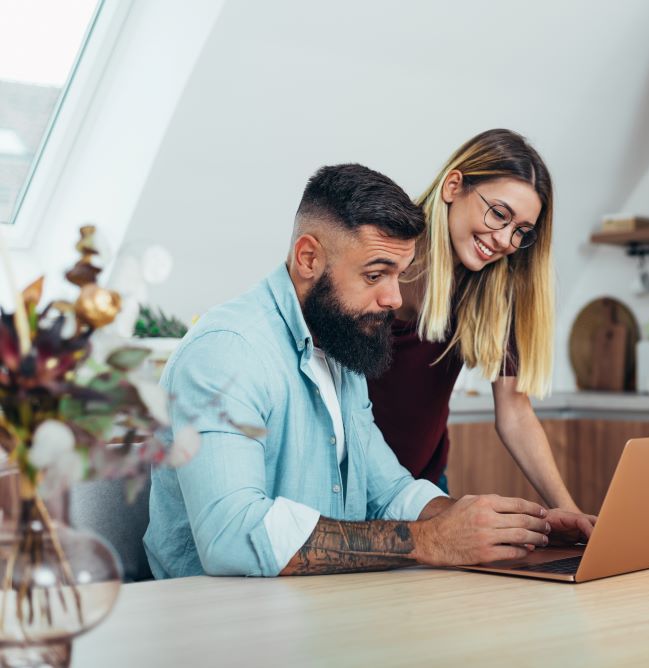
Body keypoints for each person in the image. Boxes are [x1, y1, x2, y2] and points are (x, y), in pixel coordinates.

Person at [143, 164, 591, 578]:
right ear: (308, 259)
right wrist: (431, 540)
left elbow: (390, 489)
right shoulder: (227, 353)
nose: (395, 299)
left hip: (310, 606)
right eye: (376, 275)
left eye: (399, 274)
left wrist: (486, 522)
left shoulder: (342, 351)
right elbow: (232, 536)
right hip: (215, 623)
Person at [368, 129, 596, 533]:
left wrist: (569, 511)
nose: (507, 240)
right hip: (347, 488)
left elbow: (515, 413)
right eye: (500, 215)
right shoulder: (376, 260)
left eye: (521, 231)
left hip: (425, 491)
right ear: (454, 186)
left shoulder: (492, 290)